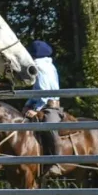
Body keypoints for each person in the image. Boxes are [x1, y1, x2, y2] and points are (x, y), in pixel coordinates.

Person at [22, 40, 62, 178]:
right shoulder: (46, 65)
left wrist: (36, 109)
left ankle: (56, 162)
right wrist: (28, 103)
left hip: (49, 107)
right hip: (41, 104)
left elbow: (44, 93)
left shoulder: (40, 66)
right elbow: (37, 91)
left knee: (49, 127)